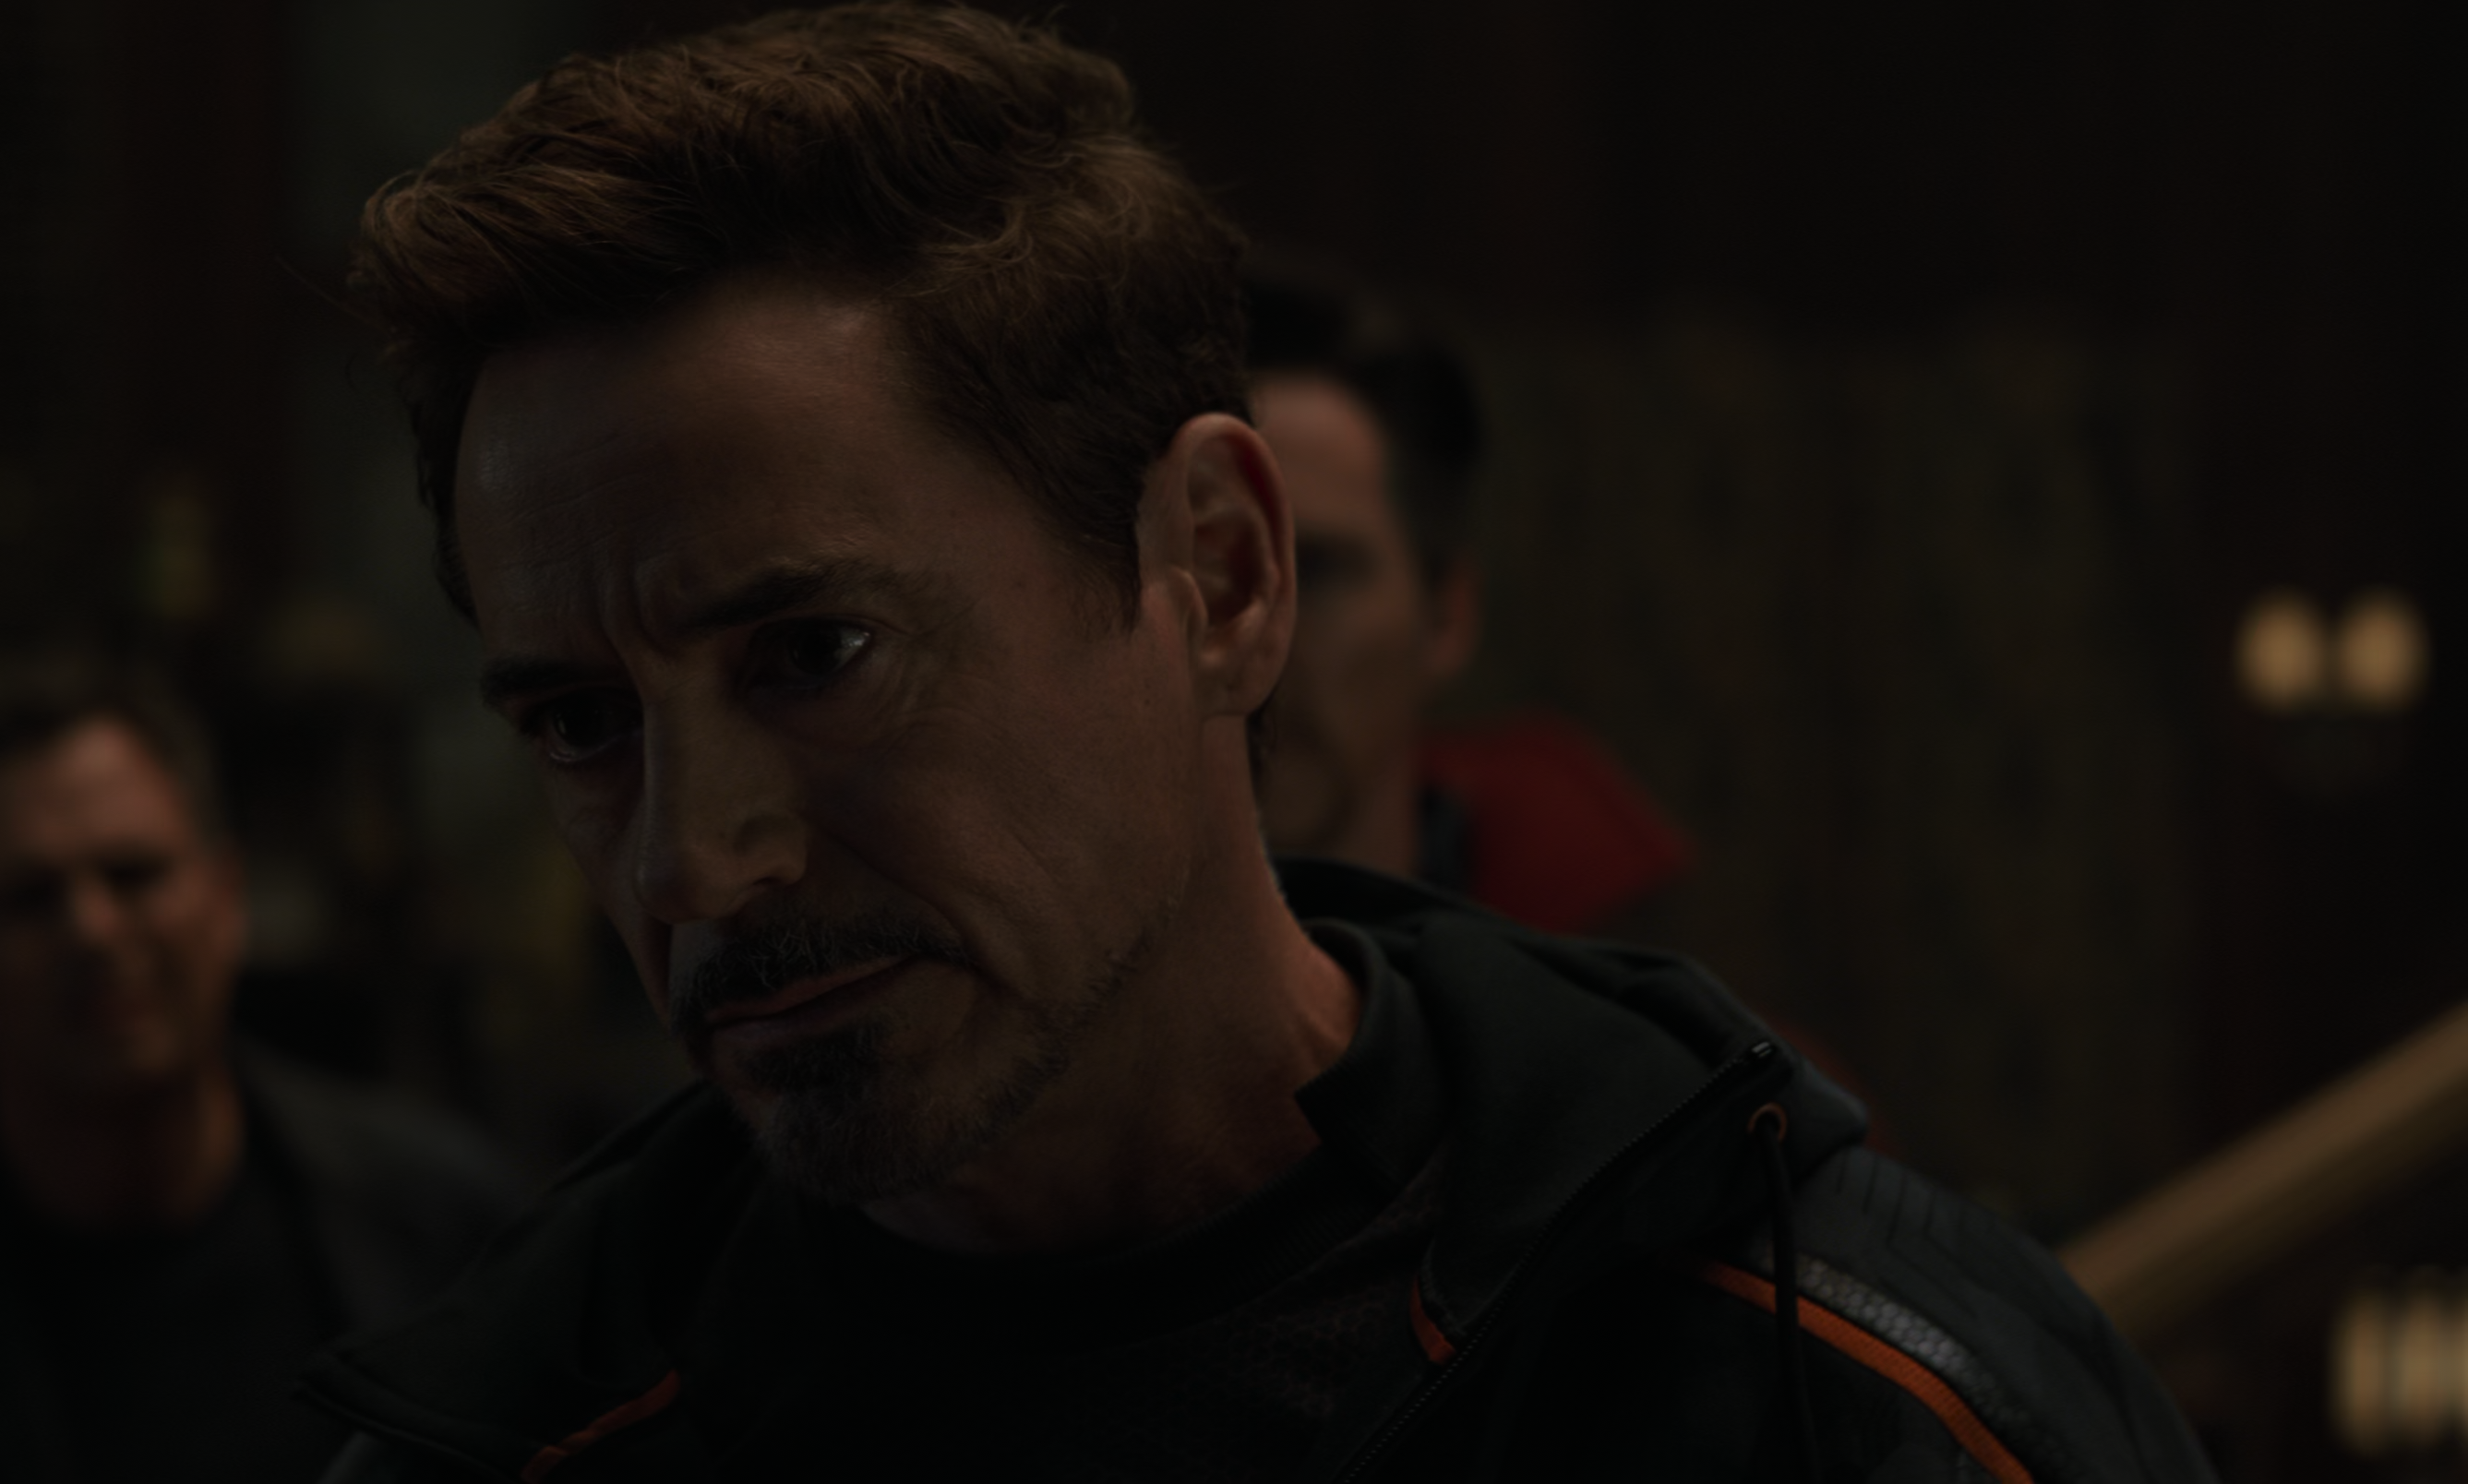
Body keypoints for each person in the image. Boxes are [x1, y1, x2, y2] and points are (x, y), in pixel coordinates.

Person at [299, 7, 2209, 1481]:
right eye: (581, 722)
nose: (691, 861)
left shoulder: (1815, 1390)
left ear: (1215, 576)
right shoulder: (514, 1435)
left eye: (814, 654)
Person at [0, 650, 525, 1484]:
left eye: (134, 875)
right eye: (30, 897)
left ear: (226, 897)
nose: (94, 932)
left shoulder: (438, 1229)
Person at [1243, 260, 1695, 937]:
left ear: (1446, 617)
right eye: (1206, 567)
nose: (1250, 628)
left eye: (1317, 570)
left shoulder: (1578, 971)